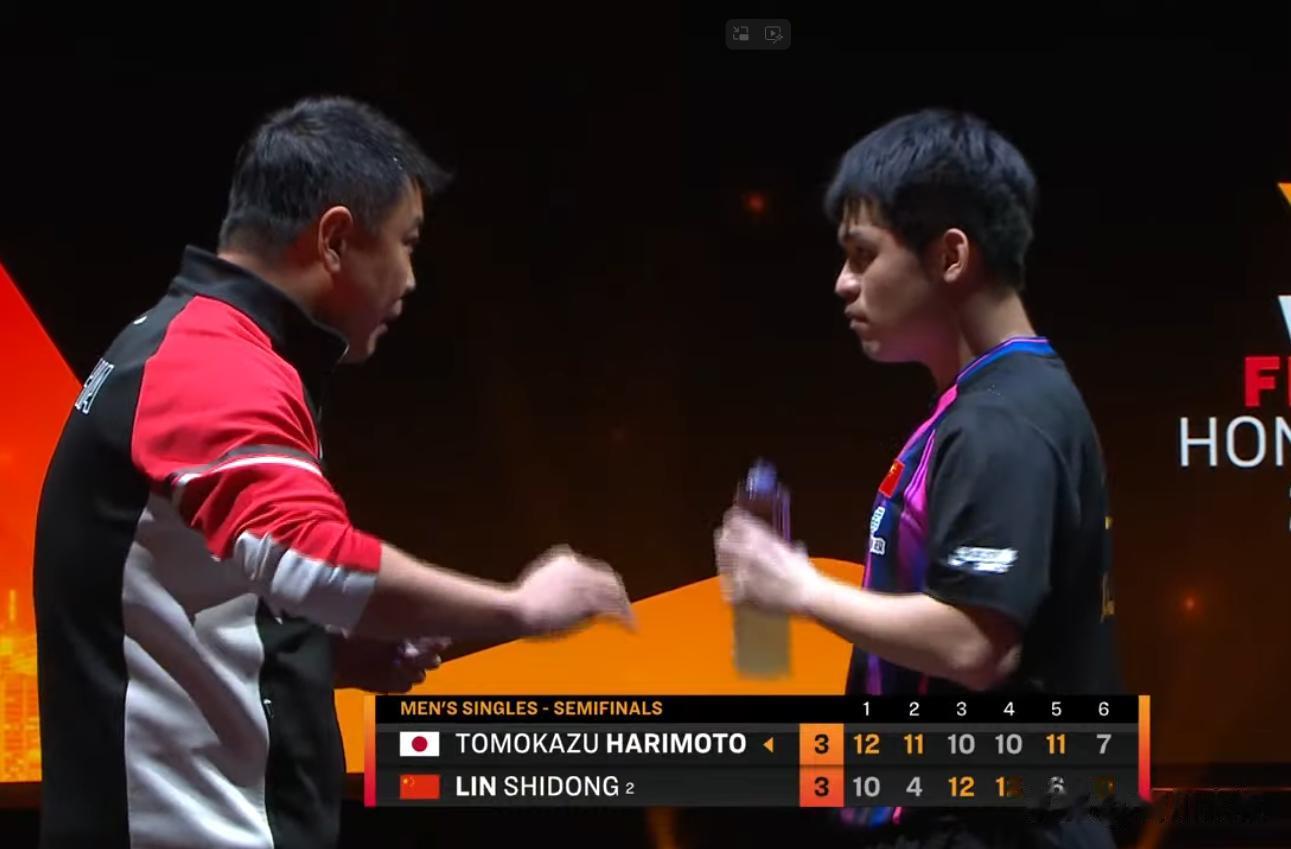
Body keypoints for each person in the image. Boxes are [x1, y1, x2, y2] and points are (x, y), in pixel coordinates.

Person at [33, 96, 633, 849]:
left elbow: (172, 595)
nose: (411, 278)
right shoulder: (212, 364)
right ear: (336, 239)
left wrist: (320, 654)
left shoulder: (183, 343)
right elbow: (312, 560)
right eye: (407, 242)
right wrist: (521, 609)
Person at [714, 109, 1122, 847]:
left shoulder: (1004, 420)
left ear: (951, 256)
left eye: (862, 255)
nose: (842, 283)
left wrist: (798, 586)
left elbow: (975, 645)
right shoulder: (979, 406)